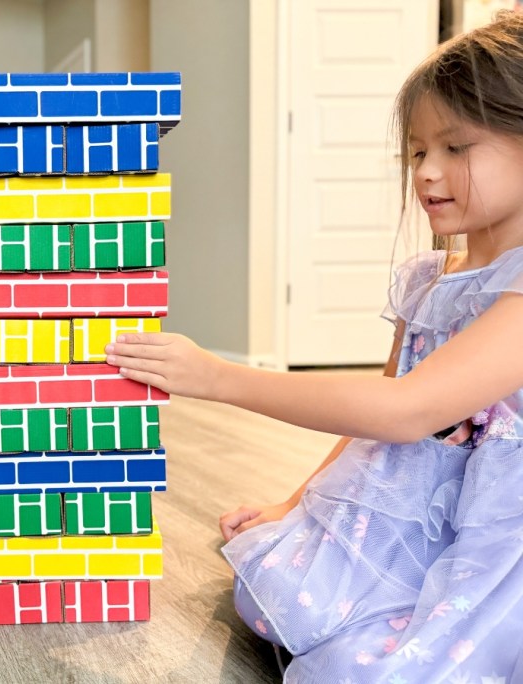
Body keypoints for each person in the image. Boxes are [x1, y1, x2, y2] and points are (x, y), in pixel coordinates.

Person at [105, 11, 523, 682]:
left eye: (456, 147)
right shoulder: (430, 278)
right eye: (416, 152)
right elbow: (373, 423)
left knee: (370, 669)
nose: (426, 172)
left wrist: (216, 377)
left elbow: (406, 409)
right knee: (267, 589)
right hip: (414, 511)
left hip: (497, 538)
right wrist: (295, 504)